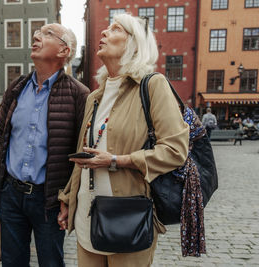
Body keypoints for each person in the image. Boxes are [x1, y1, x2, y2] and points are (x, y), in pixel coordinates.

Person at [57, 13, 189, 266]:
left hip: (128, 218)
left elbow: (175, 151)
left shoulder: (152, 86)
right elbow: (84, 155)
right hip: (87, 214)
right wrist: (68, 199)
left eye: (116, 29)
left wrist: (118, 160)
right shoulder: (94, 97)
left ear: (134, 44)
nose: (104, 32)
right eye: (106, 28)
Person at [0, 23, 89, 267]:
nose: (37, 36)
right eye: (38, 32)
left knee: (51, 262)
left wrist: (69, 198)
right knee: (12, 262)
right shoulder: (17, 88)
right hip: (11, 194)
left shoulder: (79, 94)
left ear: (64, 51)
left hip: (48, 199)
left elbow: (82, 152)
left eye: (48, 33)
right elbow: (1, 140)